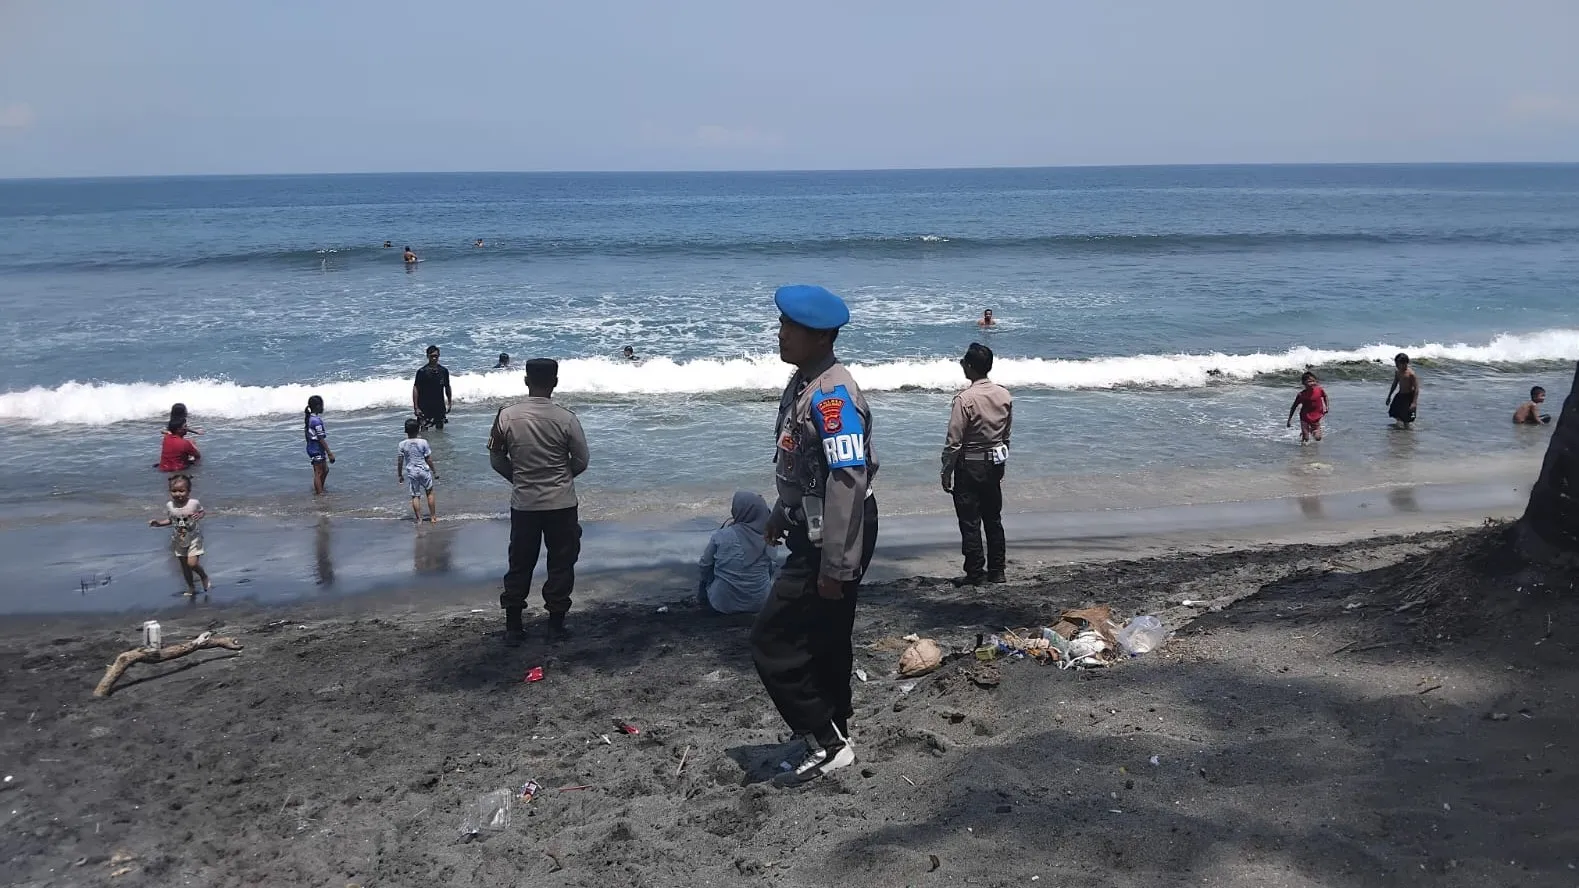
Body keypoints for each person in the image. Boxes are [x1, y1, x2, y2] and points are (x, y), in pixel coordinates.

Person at [751, 284, 879, 785]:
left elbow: (847, 481)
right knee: (826, 639)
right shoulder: (804, 381)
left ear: (820, 336)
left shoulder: (832, 396)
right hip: (816, 525)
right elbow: (805, 465)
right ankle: (835, 733)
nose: (780, 334)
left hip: (838, 534)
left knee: (771, 639)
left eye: (790, 327)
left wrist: (836, 565)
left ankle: (825, 740)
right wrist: (784, 512)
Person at [488, 358, 590, 644]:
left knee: (520, 563)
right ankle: (555, 626)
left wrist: (519, 478)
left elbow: (496, 459)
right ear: (555, 382)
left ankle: (513, 627)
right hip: (561, 503)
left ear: (525, 380)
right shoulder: (567, 418)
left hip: (525, 504)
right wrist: (561, 478)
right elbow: (582, 460)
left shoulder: (506, 416)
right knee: (561, 562)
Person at [940, 342, 1012, 586]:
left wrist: (946, 471)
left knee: (970, 521)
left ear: (970, 367)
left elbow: (954, 441)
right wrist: (1001, 465)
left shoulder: (965, 399)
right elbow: (1006, 436)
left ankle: (975, 573)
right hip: (994, 463)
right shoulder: (1004, 394)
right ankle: (997, 570)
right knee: (993, 518)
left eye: (963, 362)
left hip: (969, 466)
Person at [698, 491, 777, 614]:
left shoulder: (722, 535)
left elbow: (704, 565)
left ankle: (703, 600)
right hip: (761, 603)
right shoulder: (769, 537)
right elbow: (771, 569)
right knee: (767, 568)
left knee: (711, 567)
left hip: (723, 604)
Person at [149, 473, 210, 597]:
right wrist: (158, 523)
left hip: (194, 538)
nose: (178, 494)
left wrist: (200, 515)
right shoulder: (170, 506)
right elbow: (171, 520)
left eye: (182, 491)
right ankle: (191, 587)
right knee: (184, 566)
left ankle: (204, 576)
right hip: (179, 539)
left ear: (188, 491)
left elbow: (202, 511)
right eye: (174, 491)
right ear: (170, 491)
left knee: (192, 563)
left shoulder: (193, 503)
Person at [397, 417, 438, 522]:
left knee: (415, 496)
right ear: (418, 429)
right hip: (424, 470)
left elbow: (400, 461)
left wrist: (400, 474)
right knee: (429, 492)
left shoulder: (402, 444)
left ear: (406, 431)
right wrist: (434, 471)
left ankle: (419, 519)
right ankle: (433, 517)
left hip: (412, 472)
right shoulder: (423, 442)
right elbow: (428, 459)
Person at [412, 345, 453, 430]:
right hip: (424, 406)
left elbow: (447, 387)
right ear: (427, 356)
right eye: (432, 356)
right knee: (423, 431)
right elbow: (416, 388)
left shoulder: (443, 371)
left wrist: (449, 402)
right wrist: (416, 407)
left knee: (440, 431)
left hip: (439, 405)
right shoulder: (422, 372)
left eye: (436, 356)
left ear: (439, 356)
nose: (434, 358)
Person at [304, 395, 336, 495]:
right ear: (317, 406)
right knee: (318, 472)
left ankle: (319, 489)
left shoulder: (310, 418)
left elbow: (307, 433)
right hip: (316, 447)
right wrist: (329, 453)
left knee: (325, 470)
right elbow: (321, 438)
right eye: (322, 405)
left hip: (313, 446)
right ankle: (319, 493)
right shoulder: (316, 421)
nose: (323, 407)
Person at [1287, 371, 1330, 443]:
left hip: (1316, 416)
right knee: (1306, 438)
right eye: (1309, 381)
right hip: (1305, 417)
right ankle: (1303, 450)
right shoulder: (1301, 395)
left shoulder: (1319, 390)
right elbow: (1294, 407)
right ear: (1303, 383)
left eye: (1314, 381)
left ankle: (1310, 430)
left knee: (1318, 438)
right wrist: (1289, 420)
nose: (1312, 383)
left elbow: (1325, 396)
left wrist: (1327, 406)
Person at [1385, 353, 1419, 429]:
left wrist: (1414, 403)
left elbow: (1416, 388)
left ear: (1405, 363)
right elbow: (1394, 384)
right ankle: (1399, 428)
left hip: (1409, 397)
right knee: (1394, 412)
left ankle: (1408, 432)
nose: (1396, 365)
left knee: (1409, 416)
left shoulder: (1411, 374)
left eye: (1398, 364)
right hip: (1400, 395)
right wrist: (1389, 396)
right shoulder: (1397, 372)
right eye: (1396, 363)